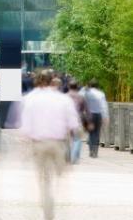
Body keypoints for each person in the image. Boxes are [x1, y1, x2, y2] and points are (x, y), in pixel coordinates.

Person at [20, 70, 80, 220]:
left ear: (37, 81)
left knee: (44, 179)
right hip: (58, 144)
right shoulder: (63, 99)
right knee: (59, 176)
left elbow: (25, 127)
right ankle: (55, 198)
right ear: (52, 81)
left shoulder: (30, 99)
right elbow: (73, 124)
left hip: (39, 144)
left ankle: (47, 201)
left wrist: (25, 146)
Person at [84, 79, 109, 158]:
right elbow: (103, 106)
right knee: (97, 132)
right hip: (98, 115)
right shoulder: (101, 93)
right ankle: (95, 151)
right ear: (97, 86)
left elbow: (85, 105)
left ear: (90, 85)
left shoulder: (87, 94)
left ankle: (91, 150)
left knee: (91, 132)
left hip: (90, 115)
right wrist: (105, 116)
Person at [66, 80, 89, 164]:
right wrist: (89, 121)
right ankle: (74, 157)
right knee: (77, 139)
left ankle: (68, 157)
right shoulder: (81, 97)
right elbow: (86, 110)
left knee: (67, 140)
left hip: (66, 121)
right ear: (77, 87)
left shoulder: (65, 96)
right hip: (77, 120)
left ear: (68, 87)